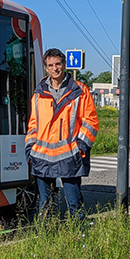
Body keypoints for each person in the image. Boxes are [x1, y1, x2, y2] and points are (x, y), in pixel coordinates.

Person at [25, 48, 99, 220]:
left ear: (64, 65)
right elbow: (33, 124)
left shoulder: (80, 91)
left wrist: (80, 148)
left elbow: (91, 122)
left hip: (70, 156)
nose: (55, 68)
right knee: (44, 205)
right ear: (46, 68)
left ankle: (80, 237)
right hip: (42, 157)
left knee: (75, 204)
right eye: (50, 65)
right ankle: (45, 239)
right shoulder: (39, 93)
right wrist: (30, 147)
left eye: (58, 64)